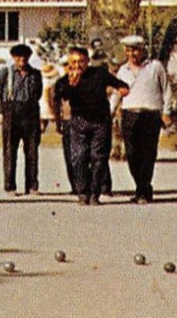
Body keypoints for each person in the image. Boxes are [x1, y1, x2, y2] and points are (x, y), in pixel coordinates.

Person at [49, 46, 129, 206]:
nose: (78, 65)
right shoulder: (65, 81)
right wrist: (71, 86)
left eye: (81, 61)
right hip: (79, 122)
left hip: (100, 122)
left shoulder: (99, 73)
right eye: (74, 62)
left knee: (98, 158)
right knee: (79, 158)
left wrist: (122, 88)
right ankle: (82, 192)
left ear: (87, 61)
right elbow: (57, 97)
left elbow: (120, 84)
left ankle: (95, 193)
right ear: (69, 63)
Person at [114, 34, 172, 204]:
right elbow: (117, 94)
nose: (132, 53)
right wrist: (108, 112)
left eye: (135, 50)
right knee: (132, 153)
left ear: (142, 50)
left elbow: (166, 91)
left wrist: (166, 112)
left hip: (150, 115)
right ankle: (143, 187)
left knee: (148, 153)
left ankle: (143, 190)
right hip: (130, 114)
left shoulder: (155, 67)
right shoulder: (123, 70)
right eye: (129, 50)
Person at [0, 43, 44, 195]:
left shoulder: (35, 74)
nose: (22, 60)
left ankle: (32, 185)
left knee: (32, 151)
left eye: (25, 56)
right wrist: (3, 110)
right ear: (13, 58)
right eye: (19, 56)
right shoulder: (5, 73)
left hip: (31, 113)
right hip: (11, 113)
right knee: (9, 151)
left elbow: (38, 93)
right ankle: (10, 186)